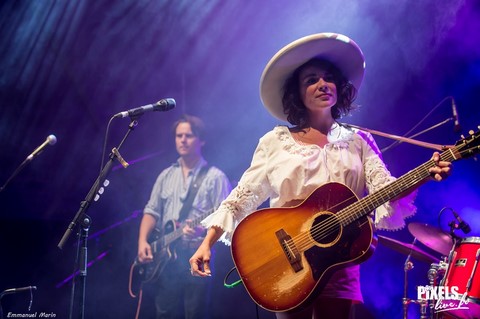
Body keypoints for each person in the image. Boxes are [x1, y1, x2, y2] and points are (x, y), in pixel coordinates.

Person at [189, 33, 452, 319]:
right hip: (288, 264)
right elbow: (243, 196)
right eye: (311, 80)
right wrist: (207, 243)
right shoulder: (275, 141)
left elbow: (386, 189)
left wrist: (426, 174)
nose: (322, 84)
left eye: (328, 77)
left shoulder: (359, 140)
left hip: (341, 261)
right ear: (297, 93)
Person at [137, 114, 232, 319]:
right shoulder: (165, 175)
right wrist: (143, 241)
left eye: (188, 135)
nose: (182, 140)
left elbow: (226, 218)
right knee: (164, 313)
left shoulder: (215, 177)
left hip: (197, 256)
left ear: (201, 140)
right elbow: (151, 211)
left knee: (194, 314)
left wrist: (204, 232)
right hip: (166, 260)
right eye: (179, 135)